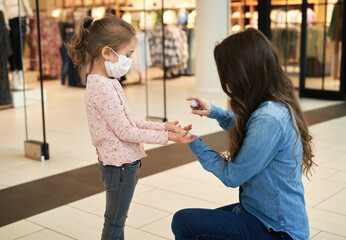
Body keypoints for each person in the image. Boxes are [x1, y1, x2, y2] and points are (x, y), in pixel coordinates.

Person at [171, 28, 315, 240]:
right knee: (198, 225)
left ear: (242, 73)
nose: (228, 83)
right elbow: (252, 137)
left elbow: (232, 176)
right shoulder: (274, 102)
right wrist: (215, 113)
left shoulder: (269, 118)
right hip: (259, 214)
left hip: (277, 231)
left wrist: (194, 143)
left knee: (184, 222)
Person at [68, 15, 195, 240]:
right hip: (119, 168)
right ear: (107, 52)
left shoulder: (108, 82)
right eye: (128, 55)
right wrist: (169, 137)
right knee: (115, 222)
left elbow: (128, 121)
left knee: (117, 219)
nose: (129, 61)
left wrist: (163, 127)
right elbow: (126, 131)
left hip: (122, 166)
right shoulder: (102, 87)